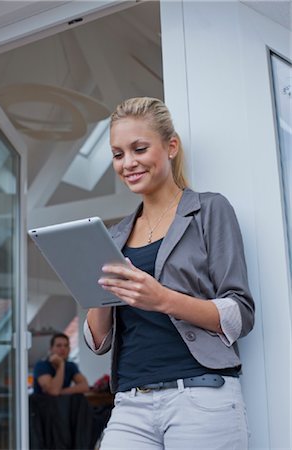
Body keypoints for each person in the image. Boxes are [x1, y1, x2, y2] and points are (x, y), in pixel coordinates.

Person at [84, 97, 255, 449]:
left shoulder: (210, 210)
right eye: (118, 154)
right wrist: (95, 287)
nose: (128, 163)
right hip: (130, 403)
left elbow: (240, 314)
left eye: (139, 149)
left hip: (200, 396)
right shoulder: (113, 236)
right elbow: (99, 341)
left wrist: (162, 299)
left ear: (171, 146)